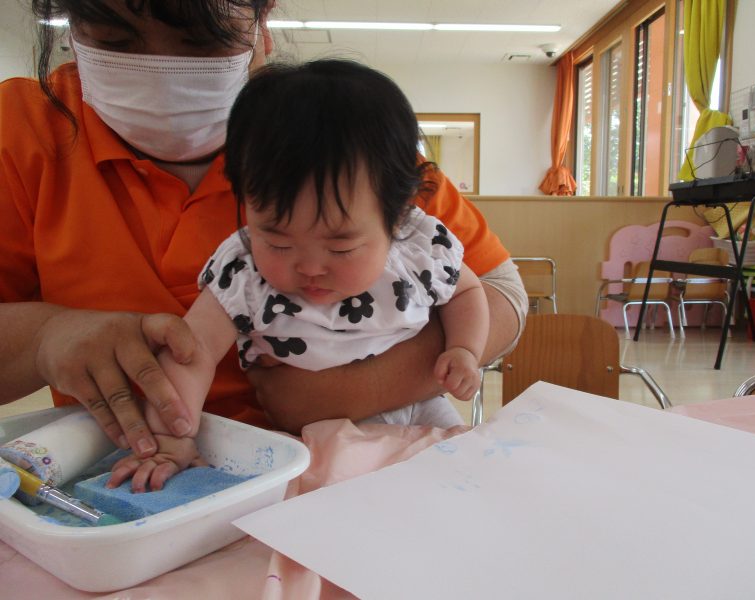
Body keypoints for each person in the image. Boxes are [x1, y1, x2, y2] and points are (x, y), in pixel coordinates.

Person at [0, 1, 527, 455]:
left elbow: (497, 290)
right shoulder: (22, 130)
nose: (161, 69)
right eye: (115, 38)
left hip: (388, 441)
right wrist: (46, 336)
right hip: (153, 465)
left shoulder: (350, 149)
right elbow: (196, 348)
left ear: (262, 18)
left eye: (201, 40)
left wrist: (345, 391)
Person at [109, 60, 489, 490]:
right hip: (310, 433)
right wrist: (171, 438)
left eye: (341, 246)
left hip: (420, 405)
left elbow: (468, 292)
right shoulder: (244, 271)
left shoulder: (417, 248)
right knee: (326, 508)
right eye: (278, 241)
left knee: (459, 483)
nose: (309, 267)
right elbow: (190, 351)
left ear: (397, 213)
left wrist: (464, 349)